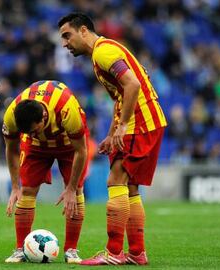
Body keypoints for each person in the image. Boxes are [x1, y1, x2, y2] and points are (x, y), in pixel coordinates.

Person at [58, 13, 167, 266]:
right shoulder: (105, 52)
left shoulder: (102, 52)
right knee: (129, 188)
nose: (65, 43)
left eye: (67, 35)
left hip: (140, 123)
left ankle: (114, 252)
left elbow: (132, 86)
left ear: (83, 30)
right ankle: (137, 252)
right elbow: (122, 96)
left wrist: (125, 125)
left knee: (115, 180)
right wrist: (111, 132)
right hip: (146, 122)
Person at [2, 80, 89, 264]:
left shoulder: (66, 108)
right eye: (27, 132)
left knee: (77, 193)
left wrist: (72, 188)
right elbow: (11, 148)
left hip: (69, 144)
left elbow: (81, 150)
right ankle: (20, 250)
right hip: (36, 149)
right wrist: (15, 186)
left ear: (43, 117)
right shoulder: (11, 114)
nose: (32, 134)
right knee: (26, 192)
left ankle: (71, 250)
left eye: (34, 130)